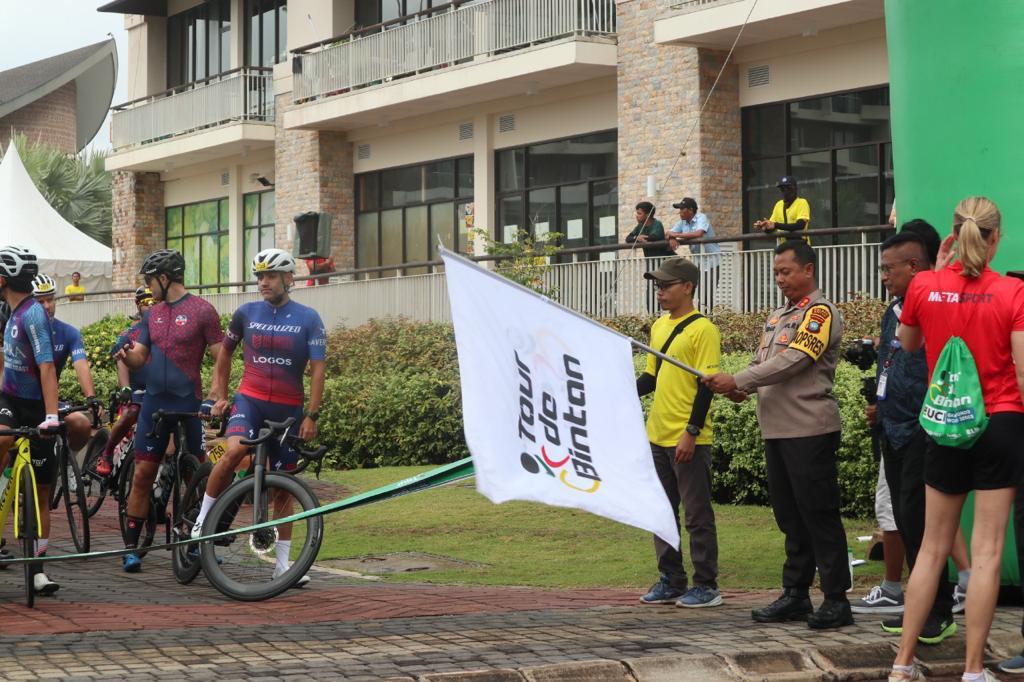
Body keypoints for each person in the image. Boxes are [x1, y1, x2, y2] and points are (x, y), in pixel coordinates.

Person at [888, 196, 1024, 682]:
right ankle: (972, 670)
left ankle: (902, 664)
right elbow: (1022, 372)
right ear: (995, 238)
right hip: (1000, 422)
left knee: (931, 549)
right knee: (986, 553)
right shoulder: (1012, 292)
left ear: (953, 234)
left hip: (944, 425)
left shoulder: (923, 285)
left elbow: (907, 346)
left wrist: (938, 274)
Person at [703, 239, 852, 629]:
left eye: (786, 271)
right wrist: (740, 387)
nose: (780, 279)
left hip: (809, 429)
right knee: (790, 517)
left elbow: (796, 360)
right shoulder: (777, 316)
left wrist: (740, 378)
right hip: (778, 431)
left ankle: (837, 599)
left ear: (808, 270)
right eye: (776, 273)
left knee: (819, 514)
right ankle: (796, 595)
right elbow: (763, 362)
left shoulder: (819, 313)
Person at [850, 223, 960, 646]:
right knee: (907, 521)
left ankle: (938, 612)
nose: (883, 276)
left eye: (888, 268)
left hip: (923, 427)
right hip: (890, 427)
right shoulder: (892, 309)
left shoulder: (940, 303)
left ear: (915, 266)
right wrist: (879, 402)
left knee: (922, 524)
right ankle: (920, 608)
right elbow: (891, 362)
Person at [194, 248, 326, 587]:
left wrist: (311, 415)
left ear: (288, 279)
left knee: (284, 491)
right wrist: (221, 394)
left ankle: (283, 566)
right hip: (250, 401)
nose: (262, 282)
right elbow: (224, 353)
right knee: (234, 450)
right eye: (259, 276)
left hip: (288, 408)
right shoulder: (246, 313)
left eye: (269, 276)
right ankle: (202, 519)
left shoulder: (308, 317)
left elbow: (317, 370)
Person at [112, 250, 223, 573]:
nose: (147, 287)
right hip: (154, 405)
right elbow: (140, 357)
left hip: (188, 404)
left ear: (165, 277)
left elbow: (221, 357)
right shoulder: (152, 315)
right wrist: (126, 354)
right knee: (144, 474)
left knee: (197, 476)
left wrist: (217, 394)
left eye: (150, 280)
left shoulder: (203, 311)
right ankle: (131, 547)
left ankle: (202, 538)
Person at [635, 257, 723, 609]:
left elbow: (707, 386)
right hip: (657, 435)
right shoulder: (658, 327)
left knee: (696, 515)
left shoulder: (704, 330)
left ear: (687, 287)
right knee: (660, 511)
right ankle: (671, 579)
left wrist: (691, 431)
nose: (660, 291)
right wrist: (614, 390)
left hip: (689, 439)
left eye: (666, 285)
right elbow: (651, 378)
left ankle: (706, 584)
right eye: (657, 286)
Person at [0, 246, 63, 595]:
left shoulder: (33, 314)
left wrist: (51, 417)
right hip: (9, 401)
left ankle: (38, 569)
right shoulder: (8, 311)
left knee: (40, 492)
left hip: (36, 407)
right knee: (2, 439)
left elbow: (47, 366)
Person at [30, 275, 102, 454]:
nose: (47, 306)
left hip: (50, 402)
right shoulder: (22, 331)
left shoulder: (69, 332)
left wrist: (91, 397)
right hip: (21, 400)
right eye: (40, 302)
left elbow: (81, 365)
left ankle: (67, 462)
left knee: (82, 424)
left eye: (50, 300)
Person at [95, 286, 154, 477]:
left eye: (155, 301)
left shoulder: (165, 329)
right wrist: (125, 387)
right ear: (137, 305)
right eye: (146, 303)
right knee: (131, 412)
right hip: (136, 390)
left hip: (158, 390)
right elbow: (121, 358)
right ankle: (107, 452)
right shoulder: (131, 332)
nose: (151, 306)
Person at [668, 198, 721, 311]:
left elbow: (699, 233)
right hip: (698, 263)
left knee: (707, 293)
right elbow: (668, 233)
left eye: (682, 209)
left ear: (691, 210)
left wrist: (677, 235)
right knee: (692, 292)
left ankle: (707, 318)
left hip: (711, 261)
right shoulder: (682, 222)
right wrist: (672, 237)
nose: (680, 212)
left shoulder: (702, 217)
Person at [754, 177, 811, 243]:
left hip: (800, 246)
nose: (785, 192)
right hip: (785, 248)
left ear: (794, 189)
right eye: (782, 189)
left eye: (788, 189)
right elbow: (772, 226)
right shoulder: (778, 205)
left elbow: (800, 225)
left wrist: (776, 225)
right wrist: (765, 227)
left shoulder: (802, 203)